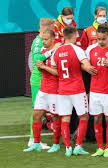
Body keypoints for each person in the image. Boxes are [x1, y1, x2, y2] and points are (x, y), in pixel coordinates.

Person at [51, 26, 97, 157]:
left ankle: (67, 148)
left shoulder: (56, 52)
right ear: (75, 35)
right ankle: (78, 146)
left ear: (64, 36)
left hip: (63, 89)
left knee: (65, 118)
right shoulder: (77, 50)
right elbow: (86, 65)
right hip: (77, 89)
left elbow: (55, 70)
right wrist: (89, 68)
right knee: (84, 116)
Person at [85, 25, 108, 157]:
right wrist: (87, 67)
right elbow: (83, 63)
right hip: (95, 91)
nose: (101, 41)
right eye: (98, 39)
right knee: (96, 119)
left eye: (103, 39)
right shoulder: (90, 49)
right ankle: (100, 147)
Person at [24, 29, 60, 153]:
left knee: (55, 117)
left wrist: (44, 67)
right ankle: (36, 143)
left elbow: (57, 73)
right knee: (36, 115)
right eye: (43, 39)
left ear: (52, 39)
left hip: (54, 90)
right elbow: (37, 58)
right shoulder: (44, 51)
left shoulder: (58, 52)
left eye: (46, 39)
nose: (43, 42)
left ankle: (56, 144)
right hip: (43, 89)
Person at [28, 18, 55, 149]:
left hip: (42, 80)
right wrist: (52, 51)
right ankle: (33, 140)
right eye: (53, 27)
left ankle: (35, 139)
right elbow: (37, 58)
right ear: (47, 28)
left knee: (41, 111)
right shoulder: (39, 41)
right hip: (38, 80)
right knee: (37, 111)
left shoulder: (40, 40)